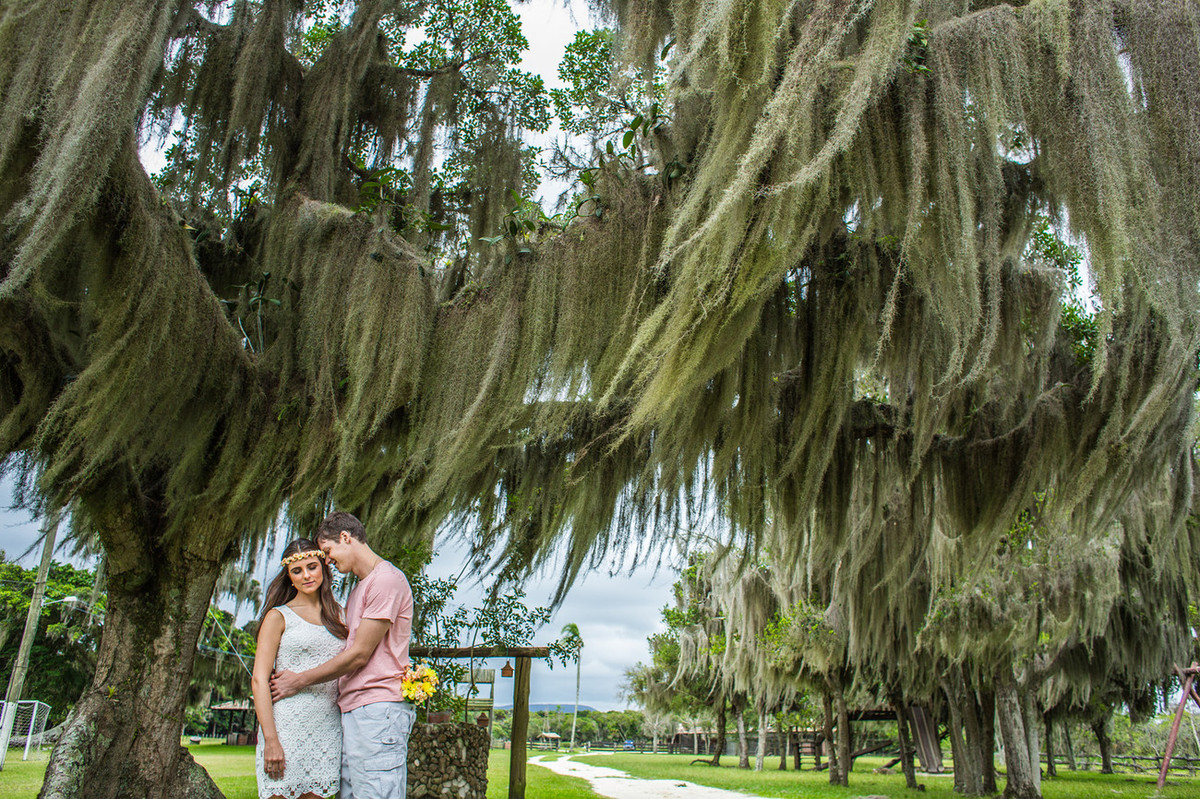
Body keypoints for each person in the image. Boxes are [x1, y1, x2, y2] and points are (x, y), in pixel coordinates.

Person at [271, 511, 415, 799]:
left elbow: (359, 655)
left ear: (346, 538)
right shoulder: (360, 588)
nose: (327, 561)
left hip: (377, 709)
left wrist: (298, 680)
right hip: (354, 711)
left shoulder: (386, 581)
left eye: (327, 551)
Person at [252, 539, 348, 799]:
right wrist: (270, 739)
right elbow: (260, 680)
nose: (306, 575)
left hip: (327, 728)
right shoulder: (278, 617)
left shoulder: (341, 616)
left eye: (312, 567)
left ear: (323, 569)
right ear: (289, 577)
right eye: (297, 571)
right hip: (286, 728)